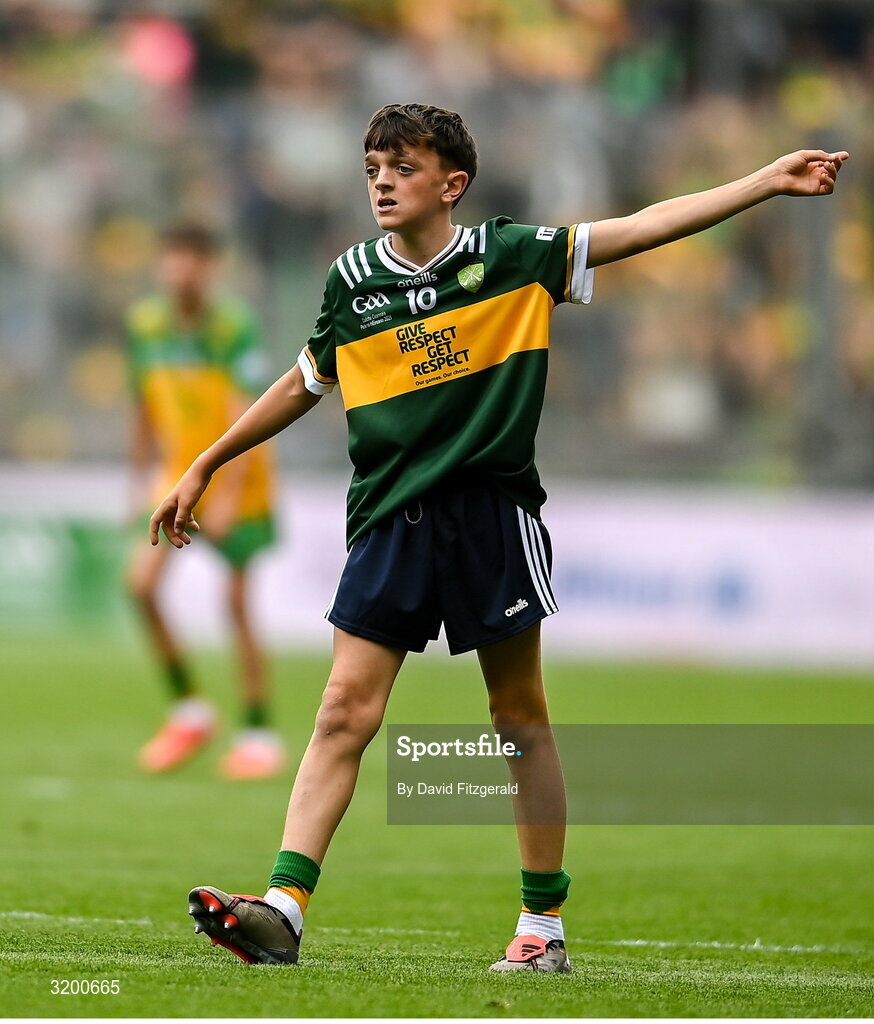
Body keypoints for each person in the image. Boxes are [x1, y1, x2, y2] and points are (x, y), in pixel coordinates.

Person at [150, 105, 847, 969]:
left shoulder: (511, 258)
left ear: (452, 184)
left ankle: (542, 929)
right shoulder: (351, 281)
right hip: (389, 518)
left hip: (490, 517)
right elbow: (304, 381)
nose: (380, 181)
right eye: (372, 166)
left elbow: (639, 228)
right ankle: (283, 910)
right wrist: (207, 462)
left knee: (517, 719)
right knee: (341, 712)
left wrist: (765, 182)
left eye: (401, 167)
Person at [128, 223, 285, 781]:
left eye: (192, 259)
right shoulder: (146, 325)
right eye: (172, 258)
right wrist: (137, 479)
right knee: (141, 587)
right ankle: (191, 712)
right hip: (176, 478)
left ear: (210, 267)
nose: (180, 270)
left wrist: (230, 496)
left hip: (237, 481)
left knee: (237, 607)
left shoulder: (232, 328)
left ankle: (258, 733)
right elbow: (145, 404)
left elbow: (248, 415)